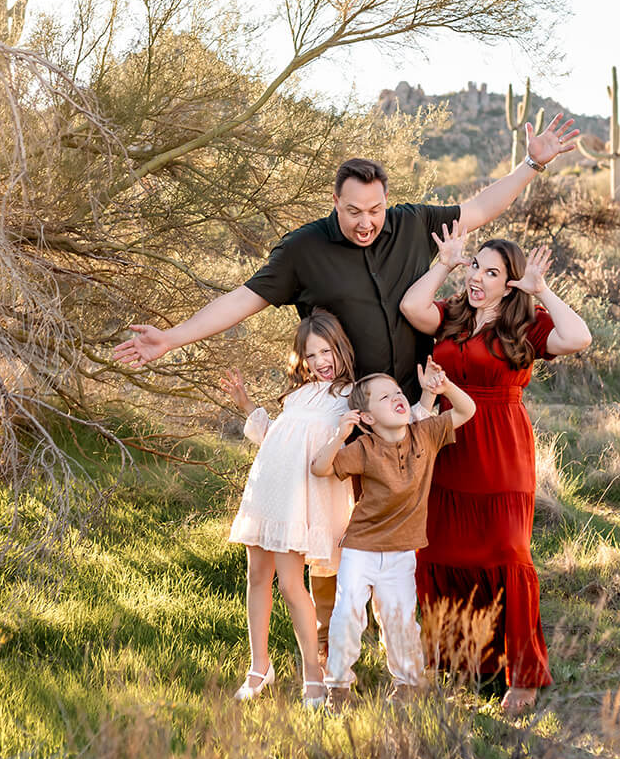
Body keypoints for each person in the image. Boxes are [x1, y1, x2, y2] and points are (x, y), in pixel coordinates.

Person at [114, 123, 579, 640]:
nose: (366, 222)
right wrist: (172, 338)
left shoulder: (410, 225)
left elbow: (479, 209)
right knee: (336, 533)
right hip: (349, 413)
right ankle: (332, 647)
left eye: (376, 210)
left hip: (411, 411)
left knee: (410, 532)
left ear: (387, 201)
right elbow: (242, 300)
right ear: (335, 201)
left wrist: (531, 165)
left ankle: (412, 641)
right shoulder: (304, 251)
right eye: (354, 211)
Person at [400, 223, 591, 714]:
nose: (478, 279)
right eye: (476, 268)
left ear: (511, 282)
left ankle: (523, 677)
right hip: (447, 444)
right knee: (439, 553)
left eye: (492, 272)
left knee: (508, 554)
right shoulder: (453, 316)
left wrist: (542, 289)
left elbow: (579, 337)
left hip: (501, 447)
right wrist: (446, 262)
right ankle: (457, 660)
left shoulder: (526, 324)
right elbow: (411, 308)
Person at [310, 367, 475, 702]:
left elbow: (466, 410)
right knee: (347, 613)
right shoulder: (365, 448)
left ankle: (408, 685)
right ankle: (338, 688)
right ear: (367, 418)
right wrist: (340, 436)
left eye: (398, 392)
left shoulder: (425, 433)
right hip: (361, 548)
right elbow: (319, 467)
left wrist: (445, 386)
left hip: (401, 551)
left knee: (400, 619)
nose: (397, 397)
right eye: (384, 397)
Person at [220, 311, 358, 707]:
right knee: (257, 577)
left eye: (326, 351)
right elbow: (275, 440)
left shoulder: (349, 395)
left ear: (341, 348)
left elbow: (338, 452)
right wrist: (245, 402)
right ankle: (259, 666)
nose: (320, 361)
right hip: (268, 490)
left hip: (301, 500)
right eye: (311, 355)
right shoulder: (298, 395)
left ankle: (313, 675)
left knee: (290, 585)